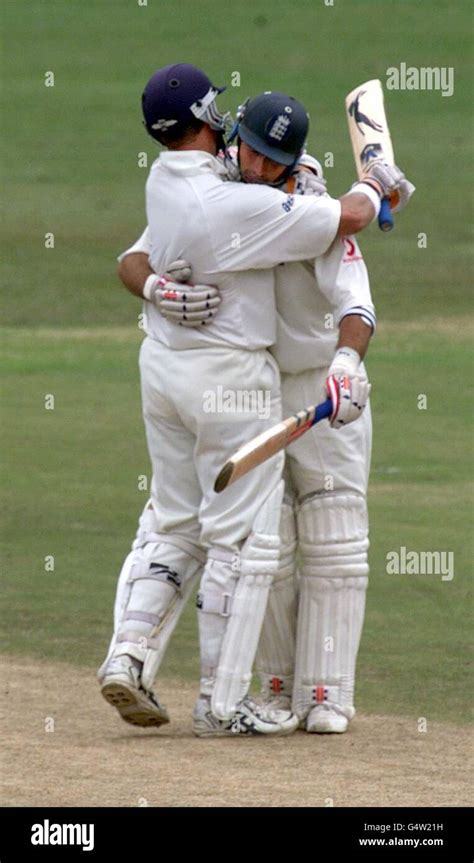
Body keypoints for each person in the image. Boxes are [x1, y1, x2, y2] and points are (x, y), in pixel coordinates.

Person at [99, 66, 413, 737]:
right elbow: (134, 258)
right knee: (251, 540)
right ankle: (251, 693)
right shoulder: (231, 192)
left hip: (320, 390)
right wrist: (375, 182)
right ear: (228, 133)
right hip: (249, 388)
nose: (255, 166)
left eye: (272, 161)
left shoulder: (265, 191)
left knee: (329, 536)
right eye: (247, 150)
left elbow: (356, 300)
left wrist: (347, 361)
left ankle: (325, 692)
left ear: (291, 161)